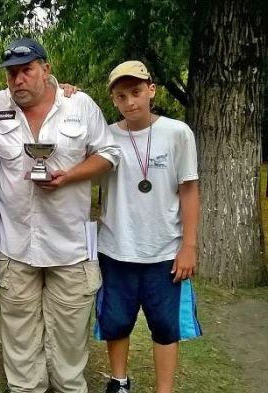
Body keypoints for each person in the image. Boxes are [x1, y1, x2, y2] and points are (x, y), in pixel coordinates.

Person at [0, 37, 121, 393]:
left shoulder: (79, 105)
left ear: (46, 70)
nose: (18, 80)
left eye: (27, 71)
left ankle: (69, 387)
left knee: (70, 334)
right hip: (17, 245)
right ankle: (26, 389)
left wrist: (69, 176)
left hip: (69, 245)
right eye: (12, 74)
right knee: (20, 334)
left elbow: (109, 153)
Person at [95, 60, 202, 393]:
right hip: (115, 248)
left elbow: (188, 189)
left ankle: (164, 389)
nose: (130, 102)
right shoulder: (106, 136)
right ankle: (119, 381)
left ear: (151, 90)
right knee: (116, 321)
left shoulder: (177, 132)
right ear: (113, 100)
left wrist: (189, 245)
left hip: (165, 251)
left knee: (165, 326)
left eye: (137, 92)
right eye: (121, 96)